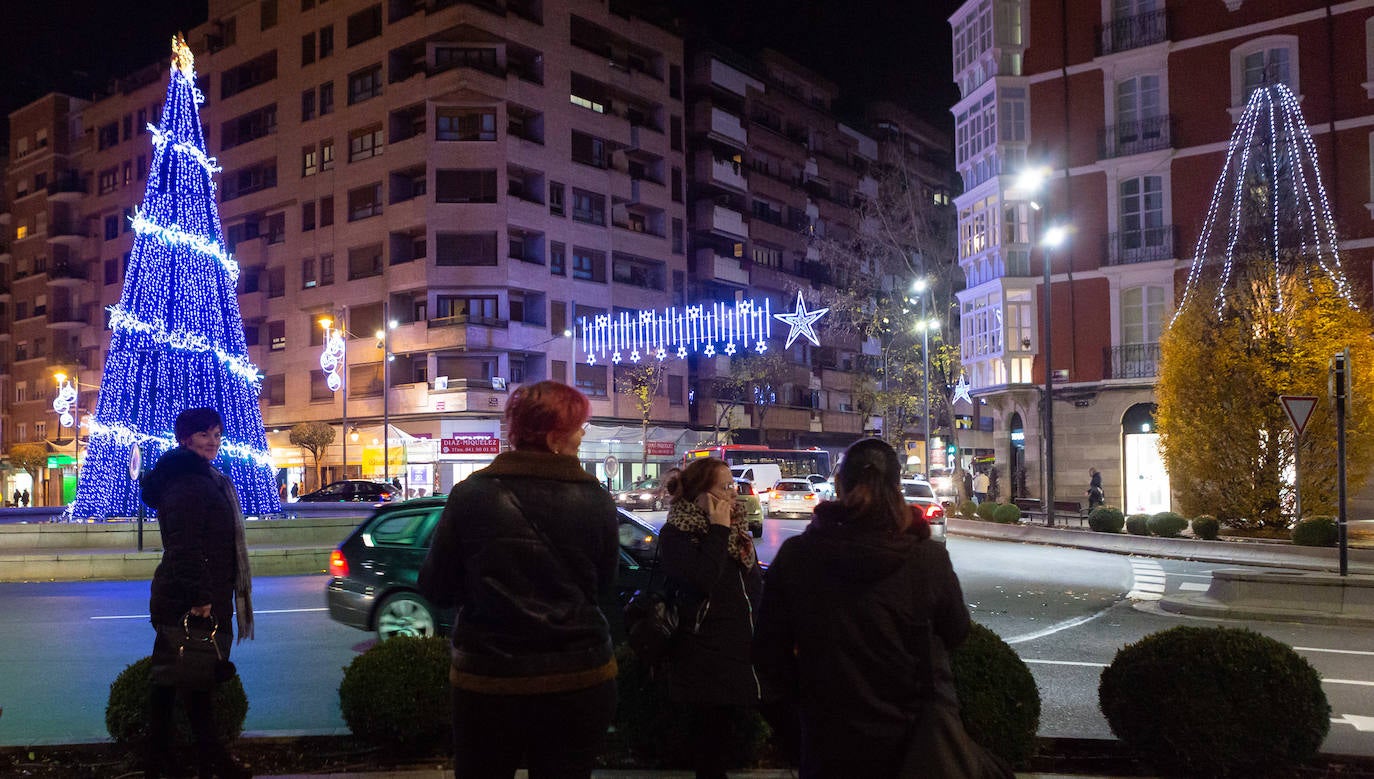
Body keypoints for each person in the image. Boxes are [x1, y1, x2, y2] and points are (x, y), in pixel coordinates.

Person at [418, 381, 618, 779]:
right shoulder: (596, 499)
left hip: (489, 683)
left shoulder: (470, 495)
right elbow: (604, 589)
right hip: (578, 679)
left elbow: (436, 587)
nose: (582, 434)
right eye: (578, 426)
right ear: (553, 437)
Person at [753, 438, 971, 777]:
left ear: (838, 485)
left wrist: (798, 726)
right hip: (913, 746)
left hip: (828, 742)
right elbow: (957, 632)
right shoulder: (925, 559)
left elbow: (768, 655)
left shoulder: (799, 557)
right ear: (898, 487)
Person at [140, 407, 254, 779]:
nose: (214, 441)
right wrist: (201, 596)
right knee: (191, 682)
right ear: (185, 439)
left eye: (218, 434)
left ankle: (164, 759)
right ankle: (208, 761)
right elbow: (184, 545)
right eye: (205, 434)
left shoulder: (198, 477)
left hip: (193, 593)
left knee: (178, 681)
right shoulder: (189, 482)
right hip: (190, 600)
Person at [659, 457, 762, 779]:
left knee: (728, 747)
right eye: (724, 487)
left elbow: (753, 587)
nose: (733, 495)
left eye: (733, 486)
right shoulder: (678, 534)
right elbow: (702, 580)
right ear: (700, 494)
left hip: (739, 655)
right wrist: (718, 530)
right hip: (703, 660)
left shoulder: (738, 532)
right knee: (710, 752)